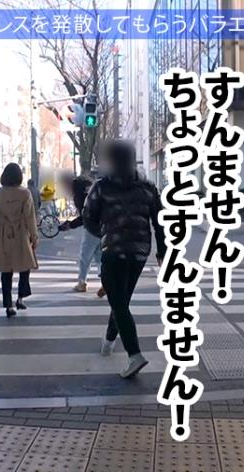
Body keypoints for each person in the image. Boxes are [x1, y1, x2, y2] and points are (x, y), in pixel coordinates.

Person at [83, 140, 166, 378]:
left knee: (119, 303)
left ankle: (134, 355)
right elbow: (160, 221)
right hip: (140, 252)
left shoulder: (102, 187)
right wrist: (162, 251)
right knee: (121, 300)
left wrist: (103, 232)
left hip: (113, 250)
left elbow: (88, 216)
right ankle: (109, 342)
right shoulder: (148, 188)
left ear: (112, 160)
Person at [0, 163, 39, 318]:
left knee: (6, 270)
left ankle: (8, 305)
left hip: (3, 233)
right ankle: (20, 298)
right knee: (25, 266)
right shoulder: (25, 193)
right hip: (21, 233)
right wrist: (34, 236)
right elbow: (30, 217)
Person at [58, 172, 104, 297]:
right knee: (99, 256)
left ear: (67, 183)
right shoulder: (86, 184)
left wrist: (70, 225)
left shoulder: (78, 194)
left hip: (92, 228)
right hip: (103, 225)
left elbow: (84, 216)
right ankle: (106, 281)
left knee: (85, 256)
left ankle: (82, 283)